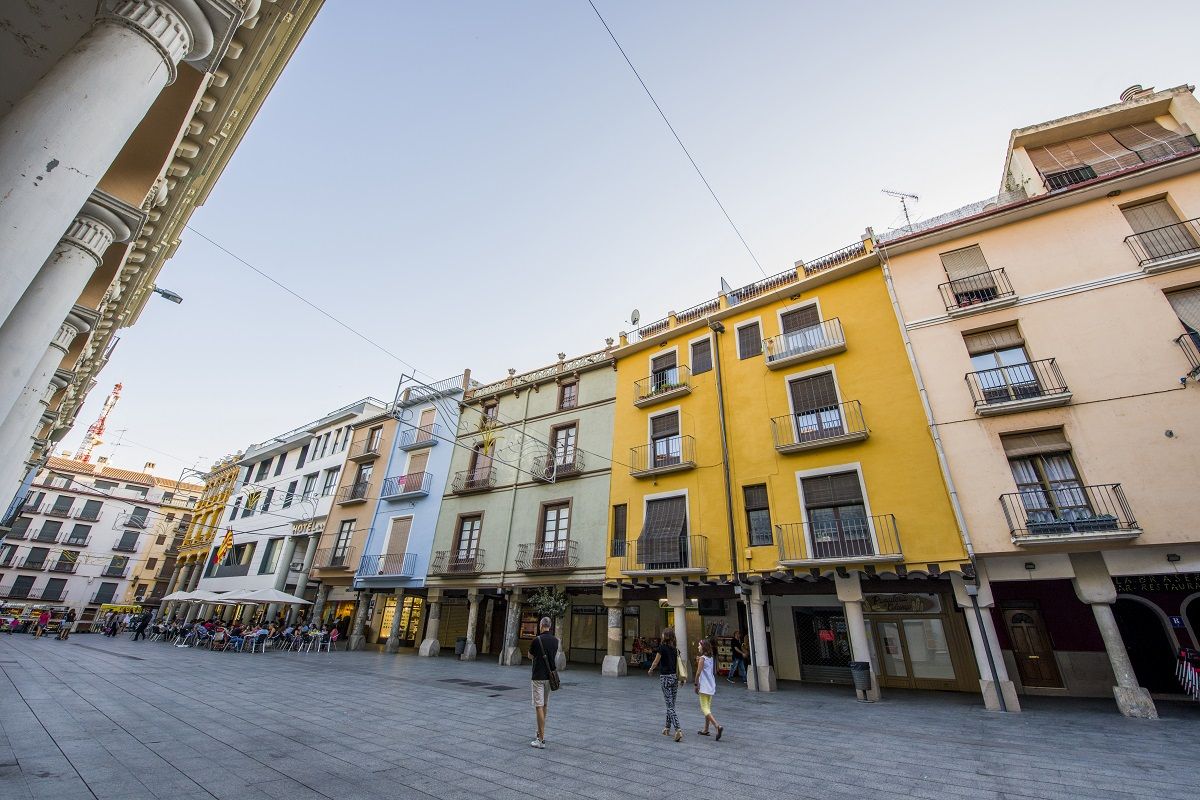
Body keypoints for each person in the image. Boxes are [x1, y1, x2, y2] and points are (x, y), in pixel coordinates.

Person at [647, 627, 684, 742]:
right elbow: (679, 665)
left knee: (669, 706)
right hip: (674, 678)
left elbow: (656, 661)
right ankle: (667, 728)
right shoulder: (675, 649)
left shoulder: (662, 648)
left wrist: (651, 669)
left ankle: (678, 729)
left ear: (665, 636)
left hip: (665, 678)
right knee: (671, 704)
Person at [528, 616, 559, 750]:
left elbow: (530, 655)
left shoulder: (536, 640)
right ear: (550, 626)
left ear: (541, 626)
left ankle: (541, 739)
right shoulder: (555, 641)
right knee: (544, 705)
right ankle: (539, 731)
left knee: (538, 706)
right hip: (549, 677)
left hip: (538, 676)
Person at [693, 640, 724, 740]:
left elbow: (698, 673)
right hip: (711, 685)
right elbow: (706, 669)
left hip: (704, 686)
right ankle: (705, 729)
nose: (698, 647)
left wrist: (696, 684)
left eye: (699, 645)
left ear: (703, 647)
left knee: (704, 708)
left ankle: (717, 726)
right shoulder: (710, 658)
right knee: (708, 709)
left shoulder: (702, 658)